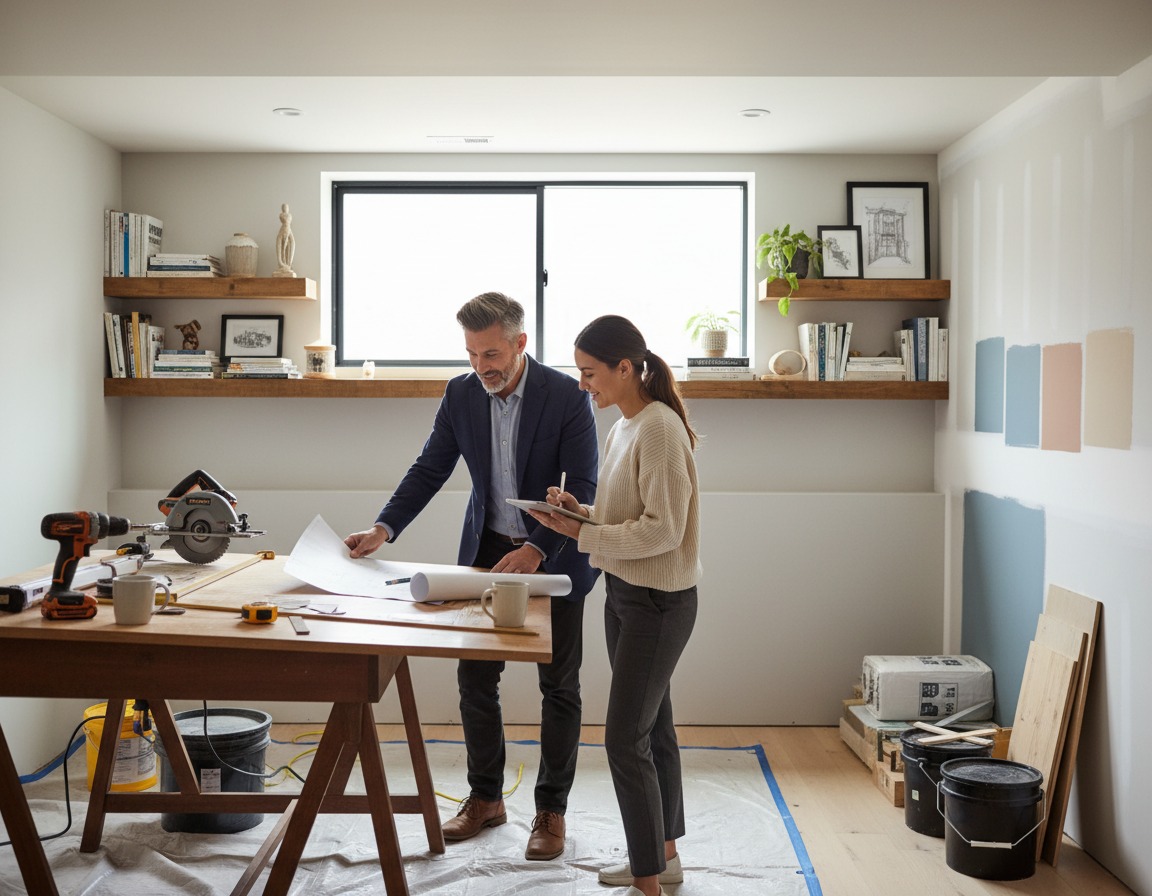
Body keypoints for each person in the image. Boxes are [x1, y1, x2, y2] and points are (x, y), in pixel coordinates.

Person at [344, 292, 600, 862]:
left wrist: (538, 548)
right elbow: (431, 465)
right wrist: (385, 528)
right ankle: (486, 798)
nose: (482, 366)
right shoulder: (461, 393)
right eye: (471, 353)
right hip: (485, 554)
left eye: (491, 353)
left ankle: (551, 811)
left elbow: (583, 487)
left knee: (559, 687)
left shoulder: (566, 396)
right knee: (475, 680)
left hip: (554, 558)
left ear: (520, 344)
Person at [528, 314, 700, 896]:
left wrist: (581, 535)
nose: (583, 386)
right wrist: (576, 513)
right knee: (653, 732)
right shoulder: (623, 426)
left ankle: (647, 881)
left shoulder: (658, 428)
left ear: (626, 368)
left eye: (591, 373)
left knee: (624, 739)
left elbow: (663, 532)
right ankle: (664, 858)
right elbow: (622, 520)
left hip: (658, 600)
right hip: (624, 593)